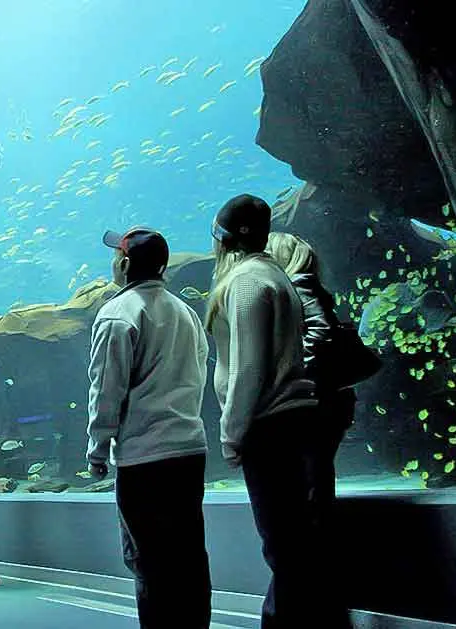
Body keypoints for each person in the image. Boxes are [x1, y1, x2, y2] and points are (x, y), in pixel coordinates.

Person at [205, 194, 346, 628]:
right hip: (294, 423)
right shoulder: (275, 275)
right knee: (301, 543)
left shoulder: (246, 281)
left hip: (272, 427)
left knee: (284, 546)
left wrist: (231, 433)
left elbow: (249, 366)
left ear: (225, 239)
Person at [87, 227, 212, 628]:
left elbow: (106, 387)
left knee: (151, 561)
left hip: (145, 458)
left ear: (123, 263)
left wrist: (97, 446)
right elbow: (199, 374)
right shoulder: (186, 312)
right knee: (190, 557)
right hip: (189, 451)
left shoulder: (118, 313)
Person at [266, 233, 357, 527]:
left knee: (311, 483)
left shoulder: (298, 285)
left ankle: (315, 549)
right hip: (330, 398)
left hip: (318, 401)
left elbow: (322, 332)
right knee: (316, 476)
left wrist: (290, 369)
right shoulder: (310, 284)